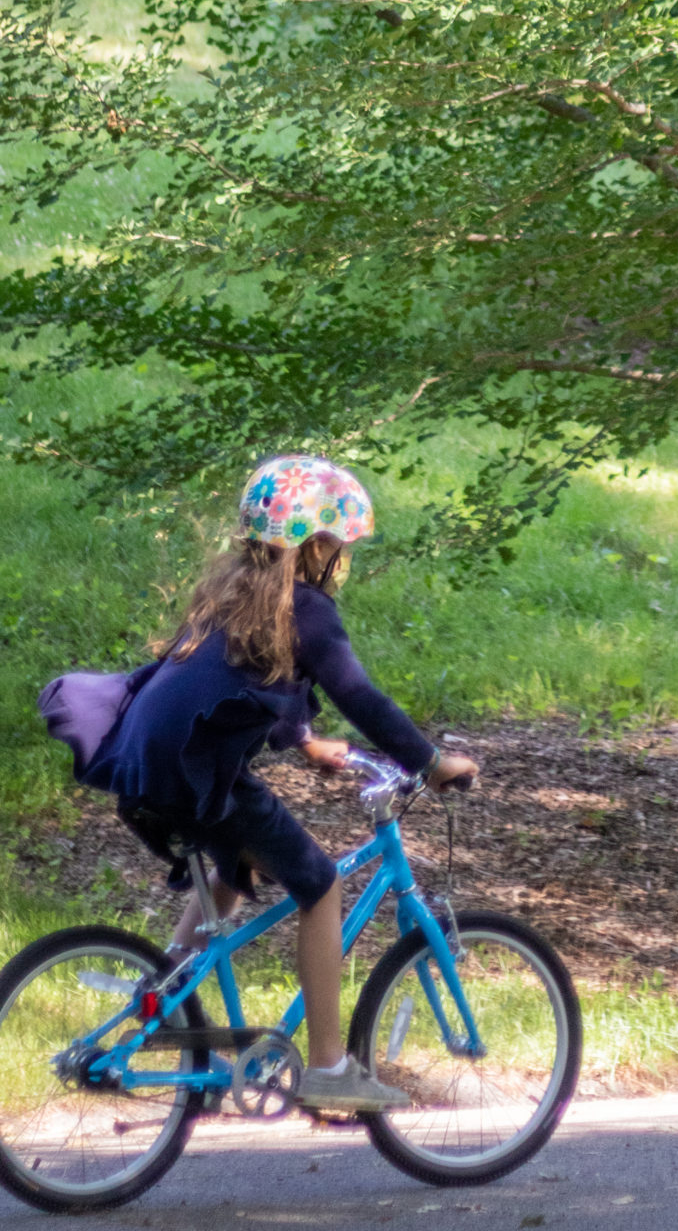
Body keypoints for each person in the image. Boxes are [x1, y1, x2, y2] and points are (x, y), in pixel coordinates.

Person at [84, 455, 477, 1115]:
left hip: (150, 764)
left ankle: (167, 997)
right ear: (315, 545)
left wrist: (304, 740)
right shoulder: (309, 609)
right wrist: (430, 762)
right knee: (319, 885)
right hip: (196, 775)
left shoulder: (234, 593)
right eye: (337, 546)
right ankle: (327, 1066)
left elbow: (255, 680)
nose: (340, 559)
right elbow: (358, 695)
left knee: (235, 870)